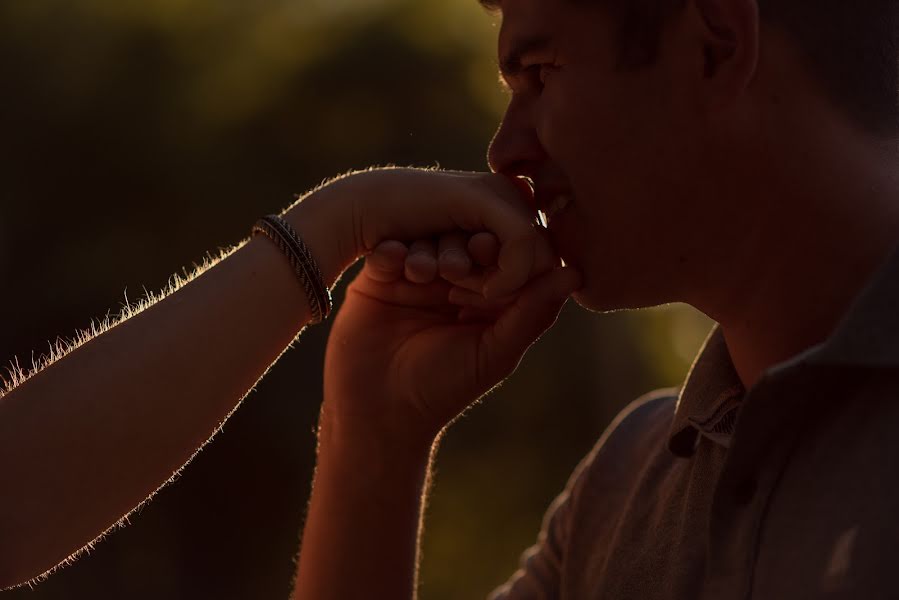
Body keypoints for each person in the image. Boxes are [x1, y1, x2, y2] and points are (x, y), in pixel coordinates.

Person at [290, 0, 899, 598]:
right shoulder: (622, 492)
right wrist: (376, 433)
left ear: (716, 47)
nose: (505, 152)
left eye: (541, 72)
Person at [0, 168, 572, 589]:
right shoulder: (613, 500)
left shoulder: (615, 493)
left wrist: (342, 219)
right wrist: (379, 421)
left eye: (542, 70)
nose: (505, 148)